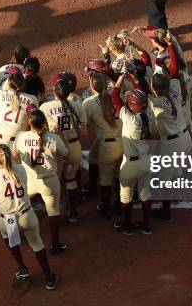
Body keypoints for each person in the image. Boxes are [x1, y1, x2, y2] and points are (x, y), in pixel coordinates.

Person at [0, 146, 59, 290]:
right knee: (37, 245)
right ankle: (49, 278)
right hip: (26, 216)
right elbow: (14, 170)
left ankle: (22, 268)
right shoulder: (21, 170)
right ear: (9, 156)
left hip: (7, 220)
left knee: (10, 241)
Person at [13, 109, 69, 255]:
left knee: (19, 206)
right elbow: (66, 154)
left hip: (30, 180)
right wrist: (60, 135)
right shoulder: (54, 138)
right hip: (49, 182)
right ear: (44, 123)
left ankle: (13, 235)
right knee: (53, 211)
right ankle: (55, 244)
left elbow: (15, 154)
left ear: (29, 123)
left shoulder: (21, 137)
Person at [110, 75, 157, 235]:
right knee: (145, 192)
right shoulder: (149, 113)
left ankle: (127, 226)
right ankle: (146, 225)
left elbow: (114, 95)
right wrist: (135, 79)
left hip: (130, 164)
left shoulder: (128, 117)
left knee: (126, 194)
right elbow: (141, 95)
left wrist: (122, 77)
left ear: (130, 106)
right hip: (147, 161)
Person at [40, 72, 84, 223]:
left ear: (54, 91)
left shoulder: (45, 107)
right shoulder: (77, 105)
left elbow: (41, 128)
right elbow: (82, 129)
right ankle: (73, 213)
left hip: (55, 148)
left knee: (56, 181)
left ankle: (56, 213)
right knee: (71, 179)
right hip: (74, 146)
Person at [148, 72, 192, 222]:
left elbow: (141, 92)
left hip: (173, 144)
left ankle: (166, 213)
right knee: (176, 170)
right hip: (186, 139)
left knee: (163, 179)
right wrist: (172, 47)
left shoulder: (156, 102)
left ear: (154, 88)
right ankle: (176, 197)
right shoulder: (176, 91)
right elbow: (174, 71)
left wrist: (135, 79)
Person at [82, 72, 123, 218]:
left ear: (92, 85)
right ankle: (119, 203)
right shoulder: (116, 95)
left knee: (105, 180)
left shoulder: (89, 102)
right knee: (118, 177)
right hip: (123, 143)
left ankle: (105, 207)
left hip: (108, 147)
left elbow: (83, 125)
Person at [0, 69, 39, 157]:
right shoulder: (31, 99)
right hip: (19, 143)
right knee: (20, 170)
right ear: (23, 83)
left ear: (8, 82)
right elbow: (36, 121)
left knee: (1, 170)